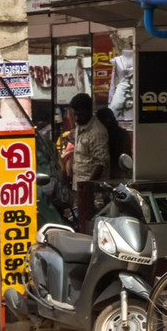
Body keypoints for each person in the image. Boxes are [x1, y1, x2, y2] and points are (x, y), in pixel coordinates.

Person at [68, 96, 108, 233]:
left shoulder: (97, 132)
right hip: (79, 187)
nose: (77, 118)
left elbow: (101, 163)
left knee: (91, 228)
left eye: (81, 114)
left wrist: (88, 188)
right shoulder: (80, 125)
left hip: (92, 192)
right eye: (75, 115)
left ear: (90, 111)